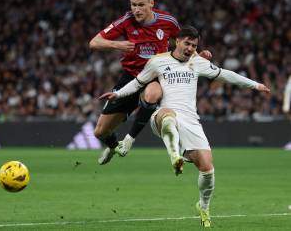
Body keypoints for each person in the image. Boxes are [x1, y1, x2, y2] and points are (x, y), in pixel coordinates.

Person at [99, 26, 270, 228]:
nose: (190, 48)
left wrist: (255, 85)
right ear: (177, 41)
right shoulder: (158, 61)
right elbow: (137, 83)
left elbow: (226, 74)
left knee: (207, 169)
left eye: (194, 45)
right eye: (187, 43)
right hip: (162, 116)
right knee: (168, 117)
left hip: (190, 121)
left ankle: (203, 207)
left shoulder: (198, 62)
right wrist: (118, 94)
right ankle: (175, 156)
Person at [89, 0, 211, 165]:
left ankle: (130, 140)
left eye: (141, 5)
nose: (136, 10)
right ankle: (115, 146)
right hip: (131, 76)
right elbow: (94, 42)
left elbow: (182, 44)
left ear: (151, 3)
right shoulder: (125, 21)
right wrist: (119, 45)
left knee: (153, 94)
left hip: (156, 76)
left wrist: (197, 56)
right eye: (133, 5)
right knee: (100, 132)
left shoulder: (168, 22)